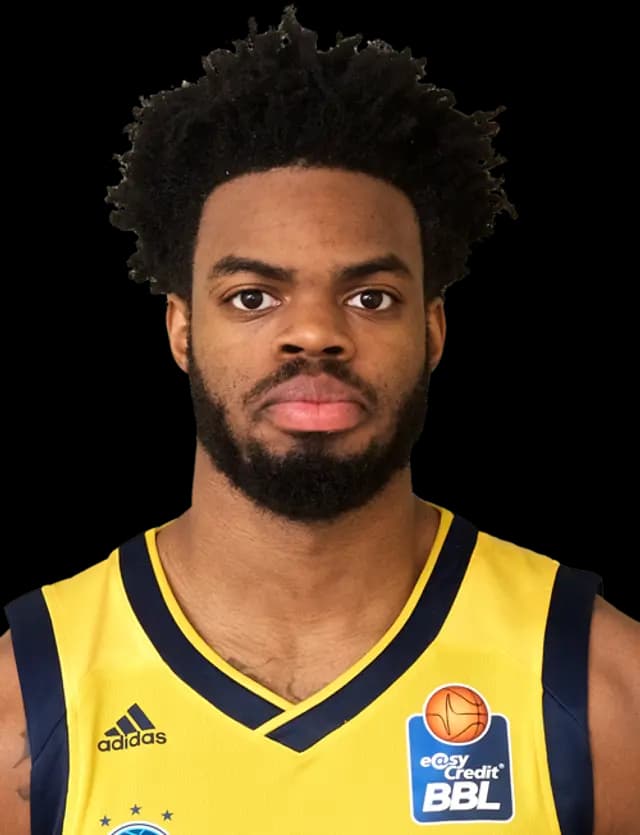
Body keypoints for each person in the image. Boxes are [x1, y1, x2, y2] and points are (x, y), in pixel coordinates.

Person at [1, 5, 638, 833]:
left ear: (433, 330)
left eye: (370, 297)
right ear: (181, 329)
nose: (314, 333)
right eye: (252, 296)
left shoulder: (598, 687)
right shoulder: (27, 702)